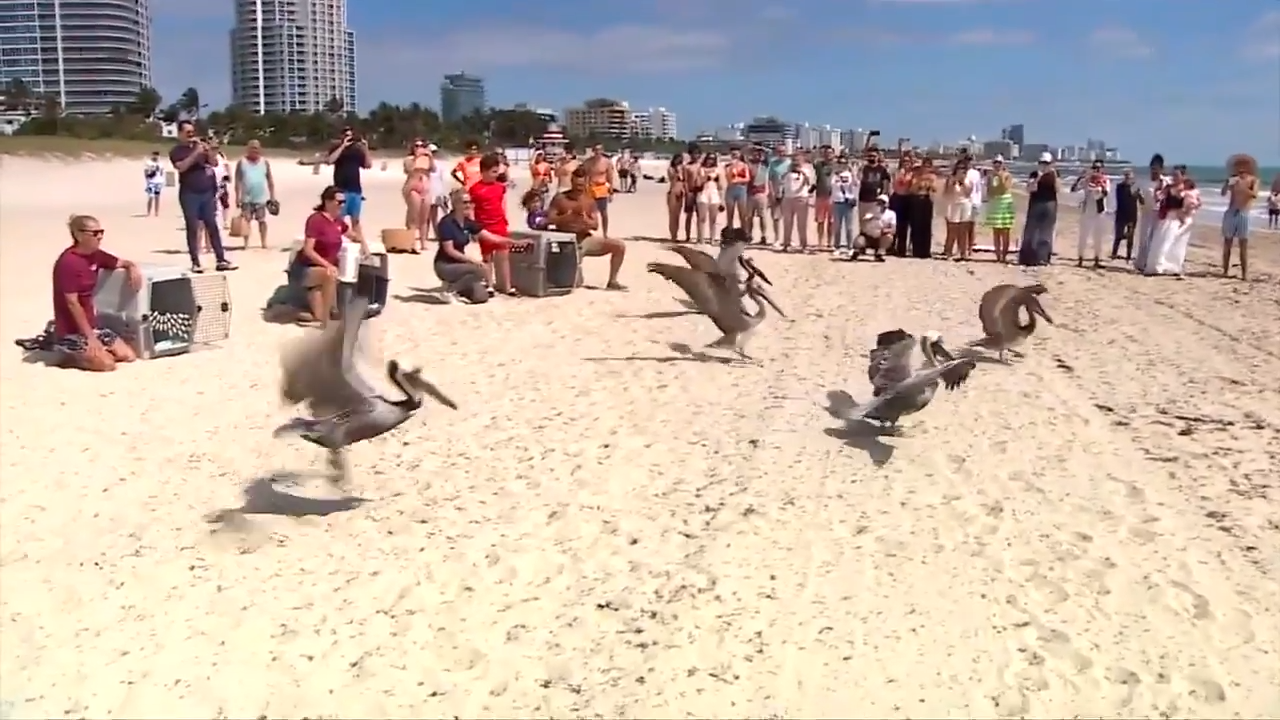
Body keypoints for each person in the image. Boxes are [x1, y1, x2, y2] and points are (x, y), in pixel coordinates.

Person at [52, 214, 143, 371]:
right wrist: (90, 337)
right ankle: (68, 356)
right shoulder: (68, 262)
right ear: (79, 235)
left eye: (101, 232)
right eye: (94, 233)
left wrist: (132, 267)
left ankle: (94, 353)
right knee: (107, 365)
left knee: (129, 356)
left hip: (93, 325)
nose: (100, 236)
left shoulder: (96, 255)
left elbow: (119, 262)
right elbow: (73, 303)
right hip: (72, 330)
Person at [169, 120, 237, 273]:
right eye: (188, 132)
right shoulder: (177, 151)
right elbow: (181, 167)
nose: (191, 135)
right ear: (180, 134)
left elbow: (213, 164)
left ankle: (221, 259)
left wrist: (210, 151)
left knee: (212, 226)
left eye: (193, 132)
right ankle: (196, 262)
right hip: (189, 194)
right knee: (192, 227)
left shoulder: (199, 148)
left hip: (207, 193)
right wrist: (196, 153)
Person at [546, 167, 628, 290]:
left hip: (585, 239)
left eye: (582, 185)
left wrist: (585, 220)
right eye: (577, 184)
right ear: (572, 182)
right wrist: (566, 217)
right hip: (567, 241)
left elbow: (595, 225)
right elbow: (550, 219)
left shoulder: (589, 200)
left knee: (619, 246)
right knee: (575, 283)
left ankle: (613, 281)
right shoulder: (560, 198)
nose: (579, 188)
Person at [435, 188, 520, 304]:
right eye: (465, 202)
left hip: (461, 265)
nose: (468, 205)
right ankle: (449, 291)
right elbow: (450, 250)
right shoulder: (446, 223)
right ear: (455, 204)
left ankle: (457, 286)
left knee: (481, 297)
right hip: (444, 265)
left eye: (470, 202)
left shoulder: (467, 222)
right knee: (480, 269)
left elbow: (491, 237)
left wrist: (515, 242)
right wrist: (473, 261)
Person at [289, 186, 358, 327]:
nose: (343, 205)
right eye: (339, 202)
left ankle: (318, 312)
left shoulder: (337, 221)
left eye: (344, 202)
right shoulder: (316, 220)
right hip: (306, 268)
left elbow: (352, 235)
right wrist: (327, 265)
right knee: (329, 275)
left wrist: (364, 243)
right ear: (327, 202)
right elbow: (308, 250)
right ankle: (326, 318)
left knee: (319, 312)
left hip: (323, 269)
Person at [468, 153, 519, 296]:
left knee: (503, 256)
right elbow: (471, 208)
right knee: (487, 257)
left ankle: (506, 286)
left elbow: (502, 204)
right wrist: (473, 227)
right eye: (493, 172)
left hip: (499, 224)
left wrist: (505, 218)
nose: (496, 175)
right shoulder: (475, 189)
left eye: (497, 172)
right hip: (484, 226)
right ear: (483, 171)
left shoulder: (499, 187)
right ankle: (490, 284)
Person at [1140, 165, 1200, 277]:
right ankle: (1157, 267)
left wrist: (1185, 211)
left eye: (1177, 175)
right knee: (1160, 243)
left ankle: (1172, 266)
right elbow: (1158, 198)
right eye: (1173, 175)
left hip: (1177, 220)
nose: (1174, 177)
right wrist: (1158, 190)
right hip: (1166, 218)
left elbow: (1195, 204)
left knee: (1174, 244)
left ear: (1183, 176)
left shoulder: (1187, 190)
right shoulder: (1168, 187)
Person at [325, 126, 372, 242]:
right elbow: (329, 160)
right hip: (341, 189)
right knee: (338, 218)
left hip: (355, 189)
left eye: (350, 136)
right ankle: (336, 241)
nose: (348, 138)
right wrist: (342, 146)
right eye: (345, 135)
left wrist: (365, 148)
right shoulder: (336, 148)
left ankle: (358, 242)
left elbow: (368, 165)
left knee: (355, 220)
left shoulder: (357, 150)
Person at [1220, 154, 1260, 280]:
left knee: (1243, 244)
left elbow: (1254, 194)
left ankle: (1244, 273)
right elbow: (1223, 193)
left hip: (1244, 212)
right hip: (1231, 212)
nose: (1241, 168)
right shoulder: (1233, 179)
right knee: (1227, 243)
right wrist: (1227, 184)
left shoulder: (1253, 180)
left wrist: (1243, 187)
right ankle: (1225, 271)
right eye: (1238, 166)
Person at [233, 139, 277, 250]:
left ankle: (264, 242)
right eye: (252, 148)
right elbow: (237, 180)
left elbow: (270, 180)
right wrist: (237, 197)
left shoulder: (264, 162)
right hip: (246, 198)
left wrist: (272, 196)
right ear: (248, 149)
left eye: (256, 148)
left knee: (262, 221)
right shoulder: (242, 162)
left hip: (261, 198)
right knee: (246, 221)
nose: (254, 150)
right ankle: (246, 243)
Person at [1019, 152, 1059, 266]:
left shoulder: (1054, 175)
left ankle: (1043, 257)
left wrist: (1055, 175)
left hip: (1050, 203)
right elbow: (1030, 189)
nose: (1044, 165)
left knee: (1046, 231)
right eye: (1042, 163)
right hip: (1036, 203)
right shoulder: (1034, 174)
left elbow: (1058, 189)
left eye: (1046, 163)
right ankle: (1027, 257)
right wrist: (1038, 178)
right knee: (1031, 230)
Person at [1072, 160, 1111, 267]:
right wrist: (1081, 177)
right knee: (1083, 236)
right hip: (1087, 211)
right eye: (1095, 168)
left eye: (1099, 168)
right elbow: (1074, 189)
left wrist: (1100, 187)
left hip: (1100, 211)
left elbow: (1106, 193)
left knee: (1098, 236)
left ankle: (1097, 259)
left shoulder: (1105, 180)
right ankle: (1080, 259)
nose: (1097, 170)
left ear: (1103, 169)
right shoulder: (1087, 180)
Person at [1133, 154, 1168, 270]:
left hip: (1160, 214)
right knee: (1144, 238)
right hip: (1146, 212)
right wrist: (1138, 196)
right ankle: (1141, 263)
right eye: (1152, 168)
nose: (1154, 171)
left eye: (1157, 169)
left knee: (1156, 239)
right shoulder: (1144, 181)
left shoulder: (1165, 182)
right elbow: (1134, 193)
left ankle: (1152, 263)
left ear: (1161, 169)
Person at [778, 150, 814, 251]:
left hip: (801, 198)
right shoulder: (787, 170)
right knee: (787, 223)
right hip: (788, 198)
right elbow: (781, 181)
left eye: (798, 159)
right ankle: (786, 244)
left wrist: (802, 172)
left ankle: (803, 245)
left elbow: (810, 183)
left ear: (802, 159)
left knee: (801, 224)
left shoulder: (807, 169)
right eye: (794, 159)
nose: (796, 161)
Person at [403, 139, 435, 250]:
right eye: (416, 146)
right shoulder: (409, 159)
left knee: (424, 217)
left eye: (421, 145)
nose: (419, 148)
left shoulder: (426, 159)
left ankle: (423, 242)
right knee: (414, 216)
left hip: (425, 189)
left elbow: (433, 169)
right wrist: (416, 157)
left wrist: (430, 156)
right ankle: (411, 242)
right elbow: (409, 170)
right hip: (413, 188)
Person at [942, 158, 976, 260]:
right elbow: (947, 192)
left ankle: (963, 253)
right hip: (953, 204)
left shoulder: (968, 180)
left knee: (963, 230)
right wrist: (954, 181)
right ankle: (948, 251)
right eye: (960, 168)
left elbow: (968, 193)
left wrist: (963, 182)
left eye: (964, 169)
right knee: (952, 229)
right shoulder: (951, 179)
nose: (962, 170)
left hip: (965, 205)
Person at [984, 155, 1016, 263]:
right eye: (995, 163)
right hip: (995, 203)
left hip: (1005, 202)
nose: (997, 165)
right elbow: (989, 191)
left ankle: (1004, 255)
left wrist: (1000, 176)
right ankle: (998, 255)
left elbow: (1005, 188)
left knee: (1005, 230)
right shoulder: (990, 176)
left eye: (999, 163)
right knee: (996, 231)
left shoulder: (1007, 175)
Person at [905, 157, 937, 259]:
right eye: (925, 165)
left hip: (927, 200)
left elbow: (935, 189)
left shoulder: (933, 176)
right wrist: (920, 181)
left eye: (928, 166)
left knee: (927, 226)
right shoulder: (916, 175)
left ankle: (926, 251)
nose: (926, 168)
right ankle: (916, 250)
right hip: (916, 199)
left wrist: (930, 184)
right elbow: (912, 189)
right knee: (916, 225)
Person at [830, 156, 859, 258]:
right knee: (837, 226)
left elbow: (856, 184)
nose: (842, 164)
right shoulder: (834, 175)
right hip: (837, 202)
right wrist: (835, 172)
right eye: (840, 162)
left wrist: (853, 172)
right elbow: (832, 186)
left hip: (848, 202)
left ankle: (850, 247)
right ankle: (836, 247)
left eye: (844, 162)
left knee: (849, 227)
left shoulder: (850, 175)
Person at [852, 194, 896, 262]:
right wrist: (869, 218)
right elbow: (864, 220)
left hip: (880, 236)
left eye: (882, 202)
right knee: (858, 242)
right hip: (868, 236)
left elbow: (893, 229)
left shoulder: (891, 214)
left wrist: (884, 231)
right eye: (878, 202)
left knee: (889, 237)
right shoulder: (872, 211)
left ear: (886, 204)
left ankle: (879, 254)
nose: (880, 204)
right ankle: (857, 252)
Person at [585, 144, 617, 237]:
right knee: (588, 212)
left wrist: (611, 191)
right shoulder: (588, 162)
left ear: (602, 151)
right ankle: (587, 230)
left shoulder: (607, 162)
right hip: (590, 188)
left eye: (599, 150)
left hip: (602, 188)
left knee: (603, 212)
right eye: (595, 150)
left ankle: (605, 233)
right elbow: (585, 176)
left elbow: (610, 177)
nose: (597, 152)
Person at [694, 152, 724, 244]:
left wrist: (722, 200)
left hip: (714, 193)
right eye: (709, 158)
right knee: (702, 218)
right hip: (703, 193)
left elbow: (721, 186)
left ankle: (712, 239)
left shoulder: (717, 170)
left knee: (713, 219)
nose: (710, 160)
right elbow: (698, 183)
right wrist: (706, 177)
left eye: (712, 159)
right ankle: (701, 238)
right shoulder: (701, 169)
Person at [812, 145, 837, 251]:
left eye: (830, 153)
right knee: (820, 221)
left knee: (831, 221)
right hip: (820, 195)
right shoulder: (819, 165)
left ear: (833, 154)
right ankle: (820, 242)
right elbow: (811, 159)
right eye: (826, 153)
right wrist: (817, 151)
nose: (828, 155)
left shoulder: (837, 166)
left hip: (833, 196)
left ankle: (830, 242)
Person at [1111, 169, 1140, 261]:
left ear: (1132, 177)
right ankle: (1114, 254)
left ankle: (1128, 256)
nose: (1127, 176)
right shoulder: (1119, 187)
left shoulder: (1136, 188)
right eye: (1126, 175)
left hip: (1132, 214)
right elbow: (1119, 199)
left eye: (1129, 175)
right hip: (1121, 213)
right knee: (1118, 235)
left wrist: (1138, 194)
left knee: (1130, 237)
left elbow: (1142, 201)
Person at [744, 147, 771, 243]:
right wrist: (752, 149)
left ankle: (764, 236)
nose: (756, 156)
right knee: (749, 216)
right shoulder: (749, 165)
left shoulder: (765, 165)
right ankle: (749, 235)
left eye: (758, 155)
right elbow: (745, 154)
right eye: (754, 155)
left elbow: (769, 152)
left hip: (761, 193)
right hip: (750, 193)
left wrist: (760, 148)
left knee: (762, 216)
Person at [766, 145, 792, 242]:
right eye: (779, 151)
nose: (781, 153)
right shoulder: (772, 164)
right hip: (776, 193)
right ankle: (777, 239)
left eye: (783, 151)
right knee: (776, 217)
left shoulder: (790, 164)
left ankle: (788, 238)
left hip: (789, 193)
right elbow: (769, 179)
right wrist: (771, 192)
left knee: (788, 218)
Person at [723, 148, 751, 232]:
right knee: (730, 213)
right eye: (733, 154)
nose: (734, 155)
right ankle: (730, 230)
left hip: (741, 189)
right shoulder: (727, 166)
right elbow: (728, 178)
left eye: (736, 154)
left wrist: (738, 180)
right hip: (731, 189)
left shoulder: (744, 165)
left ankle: (744, 231)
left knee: (742, 213)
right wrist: (731, 167)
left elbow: (747, 178)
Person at [665, 153, 687, 243]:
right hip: (673, 192)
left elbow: (685, 180)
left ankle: (676, 234)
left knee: (677, 215)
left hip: (681, 192)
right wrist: (678, 172)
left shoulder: (683, 169)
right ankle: (673, 235)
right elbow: (672, 178)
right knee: (672, 215)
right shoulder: (671, 169)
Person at [143, 150, 164, 217]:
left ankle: (156, 212)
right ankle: (148, 212)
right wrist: (147, 180)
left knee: (157, 197)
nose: (156, 156)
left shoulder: (160, 163)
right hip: (151, 182)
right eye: (155, 155)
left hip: (158, 182)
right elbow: (146, 171)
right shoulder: (149, 163)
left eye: (157, 155)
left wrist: (162, 180)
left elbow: (161, 172)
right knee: (150, 197)